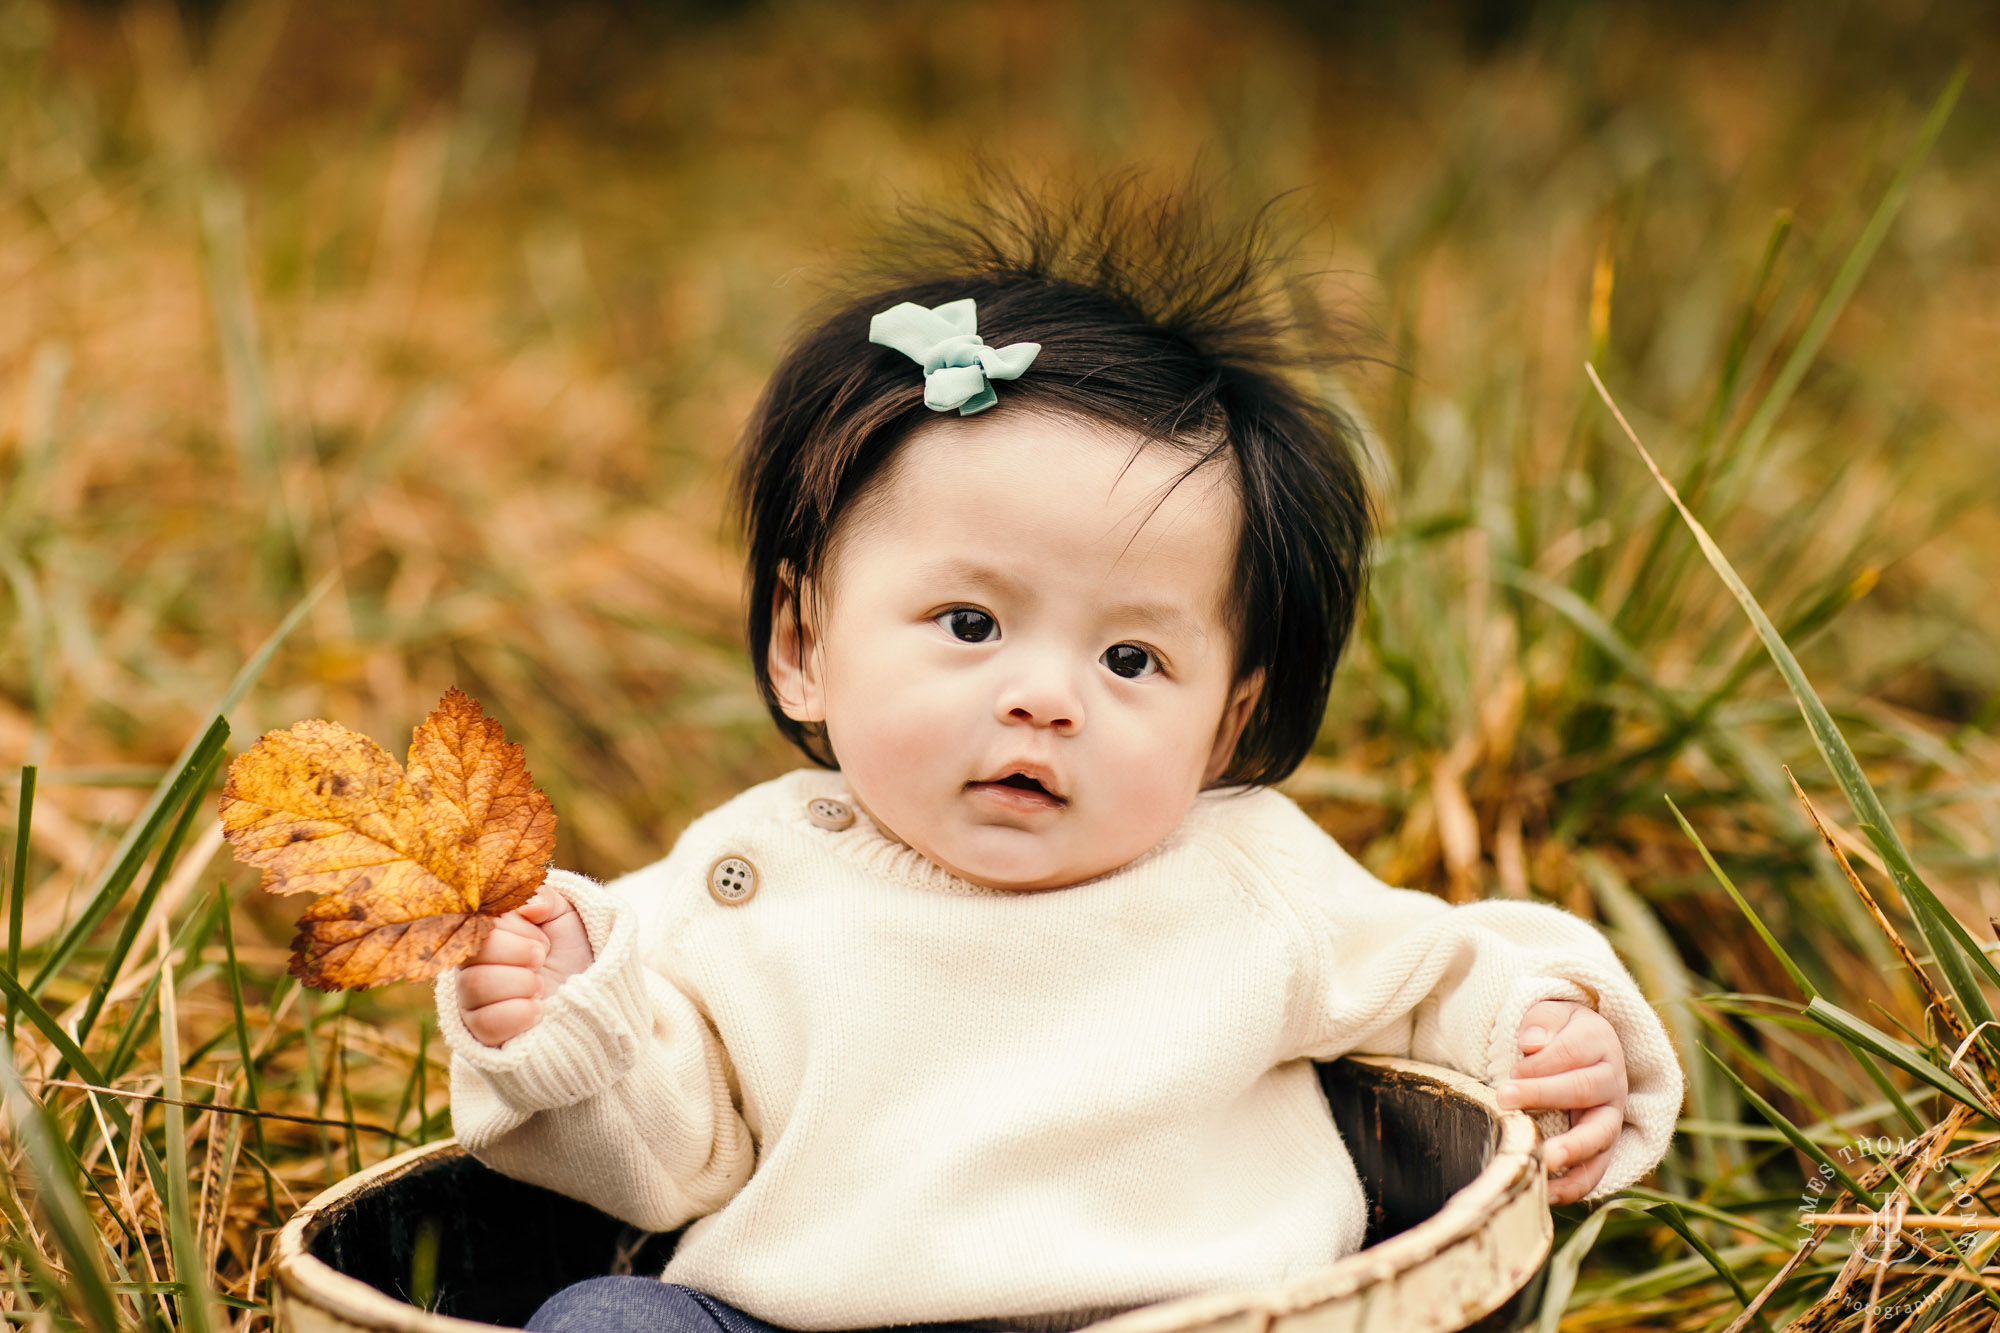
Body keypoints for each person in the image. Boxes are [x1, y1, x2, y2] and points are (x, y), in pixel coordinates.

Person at [434, 172, 1685, 1333]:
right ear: (803, 641)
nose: (1044, 699)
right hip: (800, 1323)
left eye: (1130, 661)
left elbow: (1436, 974)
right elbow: (658, 1163)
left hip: (1192, 1313)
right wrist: (562, 1016)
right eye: (969, 624)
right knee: (607, 1322)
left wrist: (1536, 1026)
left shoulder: (1247, 875)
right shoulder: (742, 884)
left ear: (1227, 723)